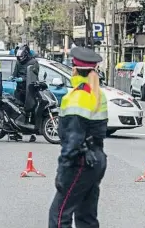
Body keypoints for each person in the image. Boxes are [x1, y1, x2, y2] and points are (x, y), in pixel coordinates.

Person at [48, 46, 108, 228]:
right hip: (96, 159)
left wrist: (62, 170)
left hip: (80, 161)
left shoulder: (77, 97)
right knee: (86, 217)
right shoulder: (97, 94)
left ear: (74, 69)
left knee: (59, 215)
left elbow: (73, 140)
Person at [9, 44, 39, 142]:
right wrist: (13, 77)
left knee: (31, 111)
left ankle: (31, 133)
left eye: (21, 57)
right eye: (18, 57)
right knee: (16, 110)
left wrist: (23, 79)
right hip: (19, 90)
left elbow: (34, 76)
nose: (20, 59)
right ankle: (16, 132)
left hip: (30, 90)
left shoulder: (33, 62)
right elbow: (15, 73)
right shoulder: (18, 62)